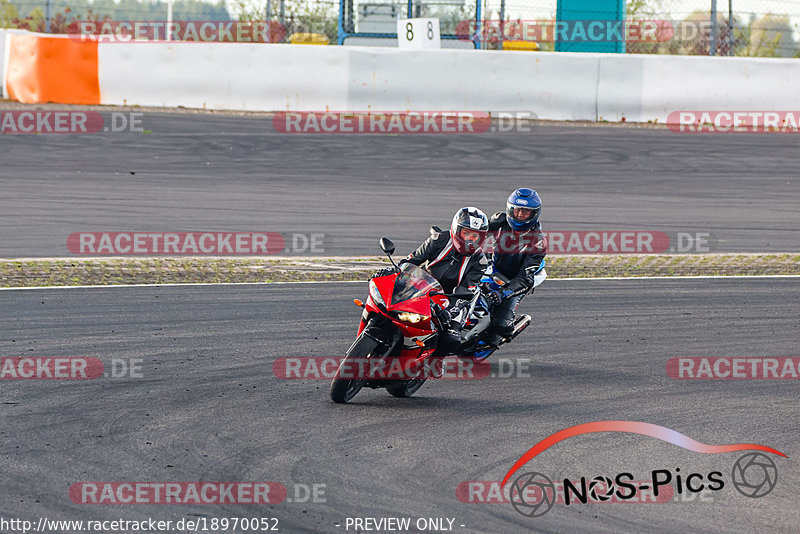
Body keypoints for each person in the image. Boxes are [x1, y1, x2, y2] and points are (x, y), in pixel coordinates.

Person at [373, 207, 490, 354]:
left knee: (450, 340)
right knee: (386, 303)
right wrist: (393, 271)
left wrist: (449, 312)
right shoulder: (439, 239)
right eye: (466, 233)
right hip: (423, 285)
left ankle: (435, 361)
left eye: (475, 236)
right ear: (456, 229)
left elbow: (467, 292)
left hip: (452, 298)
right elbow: (412, 260)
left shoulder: (480, 261)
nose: (469, 239)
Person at [484, 188, 547, 346]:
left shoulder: (538, 242)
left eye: (525, 213)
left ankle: (513, 327)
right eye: (517, 210)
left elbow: (524, 279)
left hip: (516, 279)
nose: (519, 215)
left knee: (501, 326)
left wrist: (503, 294)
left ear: (534, 214)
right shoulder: (499, 220)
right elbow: (473, 232)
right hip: (494, 268)